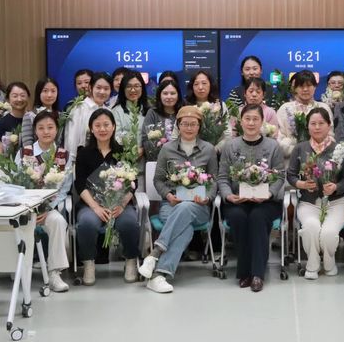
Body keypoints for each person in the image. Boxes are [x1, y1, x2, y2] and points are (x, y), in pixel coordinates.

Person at [140, 106, 218, 293]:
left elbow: (214, 180)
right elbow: (158, 180)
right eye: (185, 124)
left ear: (199, 126)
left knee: (186, 209)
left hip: (198, 206)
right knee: (186, 227)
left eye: (193, 124)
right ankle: (159, 275)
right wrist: (168, 195)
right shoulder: (167, 149)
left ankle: (155, 253)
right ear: (178, 126)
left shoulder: (208, 149)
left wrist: (207, 198)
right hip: (171, 204)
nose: (189, 128)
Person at [217, 104, 285, 292]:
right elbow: (222, 177)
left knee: (257, 217)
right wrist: (228, 195)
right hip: (237, 200)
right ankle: (244, 271)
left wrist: (269, 194)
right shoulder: (231, 146)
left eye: (255, 119)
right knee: (238, 217)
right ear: (241, 121)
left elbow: (280, 176)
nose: (251, 123)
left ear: (262, 122)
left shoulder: (273, 146)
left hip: (266, 201)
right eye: (247, 119)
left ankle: (257, 274)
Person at [286, 107, 344, 280]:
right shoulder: (300, 148)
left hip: (335, 203)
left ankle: (329, 261)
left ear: (329, 125)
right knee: (311, 227)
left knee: (328, 234)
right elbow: (291, 175)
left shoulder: (339, 149)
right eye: (313, 123)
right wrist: (301, 184)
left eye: (321, 123)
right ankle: (312, 264)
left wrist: (336, 187)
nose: (317, 127)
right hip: (309, 203)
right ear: (307, 126)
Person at [74, 109, 140, 285]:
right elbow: (80, 184)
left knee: (129, 223)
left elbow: (133, 182)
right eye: (97, 125)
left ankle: (131, 261)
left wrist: (123, 204)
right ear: (91, 128)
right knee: (87, 224)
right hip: (91, 205)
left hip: (120, 204)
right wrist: (95, 207)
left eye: (106, 125)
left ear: (114, 127)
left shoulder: (123, 152)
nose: (102, 129)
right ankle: (88, 263)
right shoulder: (83, 153)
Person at [16, 111, 73, 292]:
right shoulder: (24, 153)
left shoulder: (64, 156)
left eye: (50, 127)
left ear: (57, 130)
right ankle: (17, 269)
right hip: (25, 208)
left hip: (48, 209)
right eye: (41, 128)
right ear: (35, 131)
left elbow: (63, 189)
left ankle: (54, 273)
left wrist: (47, 209)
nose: (46, 132)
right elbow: (16, 183)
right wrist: (30, 208)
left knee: (58, 221)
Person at [276, 70, 333, 159]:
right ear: (295, 88)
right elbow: (279, 139)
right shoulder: (284, 109)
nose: (305, 89)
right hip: (290, 160)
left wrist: (314, 151)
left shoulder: (324, 108)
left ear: (315, 87)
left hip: (320, 160)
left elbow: (330, 136)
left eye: (309, 85)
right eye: (301, 86)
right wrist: (298, 151)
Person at [64, 72, 111, 157]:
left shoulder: (109, 111)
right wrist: (72, 160)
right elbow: (71, 139)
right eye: (98, 88)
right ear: (90, 87)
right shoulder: (79, 109)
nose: (102, 92)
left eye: (106, 88)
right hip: (81, 159)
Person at [112, 71, 148, 168]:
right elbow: (115, 137)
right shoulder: (116, 111)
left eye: (136, 86)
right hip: (123, 164)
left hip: (146, 161)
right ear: (123, 89)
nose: (132, 90)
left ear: (142, 88)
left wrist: (143, 149)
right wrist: (130, 152)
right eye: (128, 86)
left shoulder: (148, 110)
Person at [141, 79, 182, 161]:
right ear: (160, 95)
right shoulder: (152, 112)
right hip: (156, 159)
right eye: (165, 93)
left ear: (178, 95)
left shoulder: (183, 112)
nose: (169, 97)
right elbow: (146, 138)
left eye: (173, 93)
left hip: (180, 159)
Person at [20, 78, 60, 149]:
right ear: (39, 93)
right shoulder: (29, 116)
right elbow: (27, 144)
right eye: (45, 91)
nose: (49, 95)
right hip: (34, 155)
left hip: (58, 155)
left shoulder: (61, 116)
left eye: (53, 91)